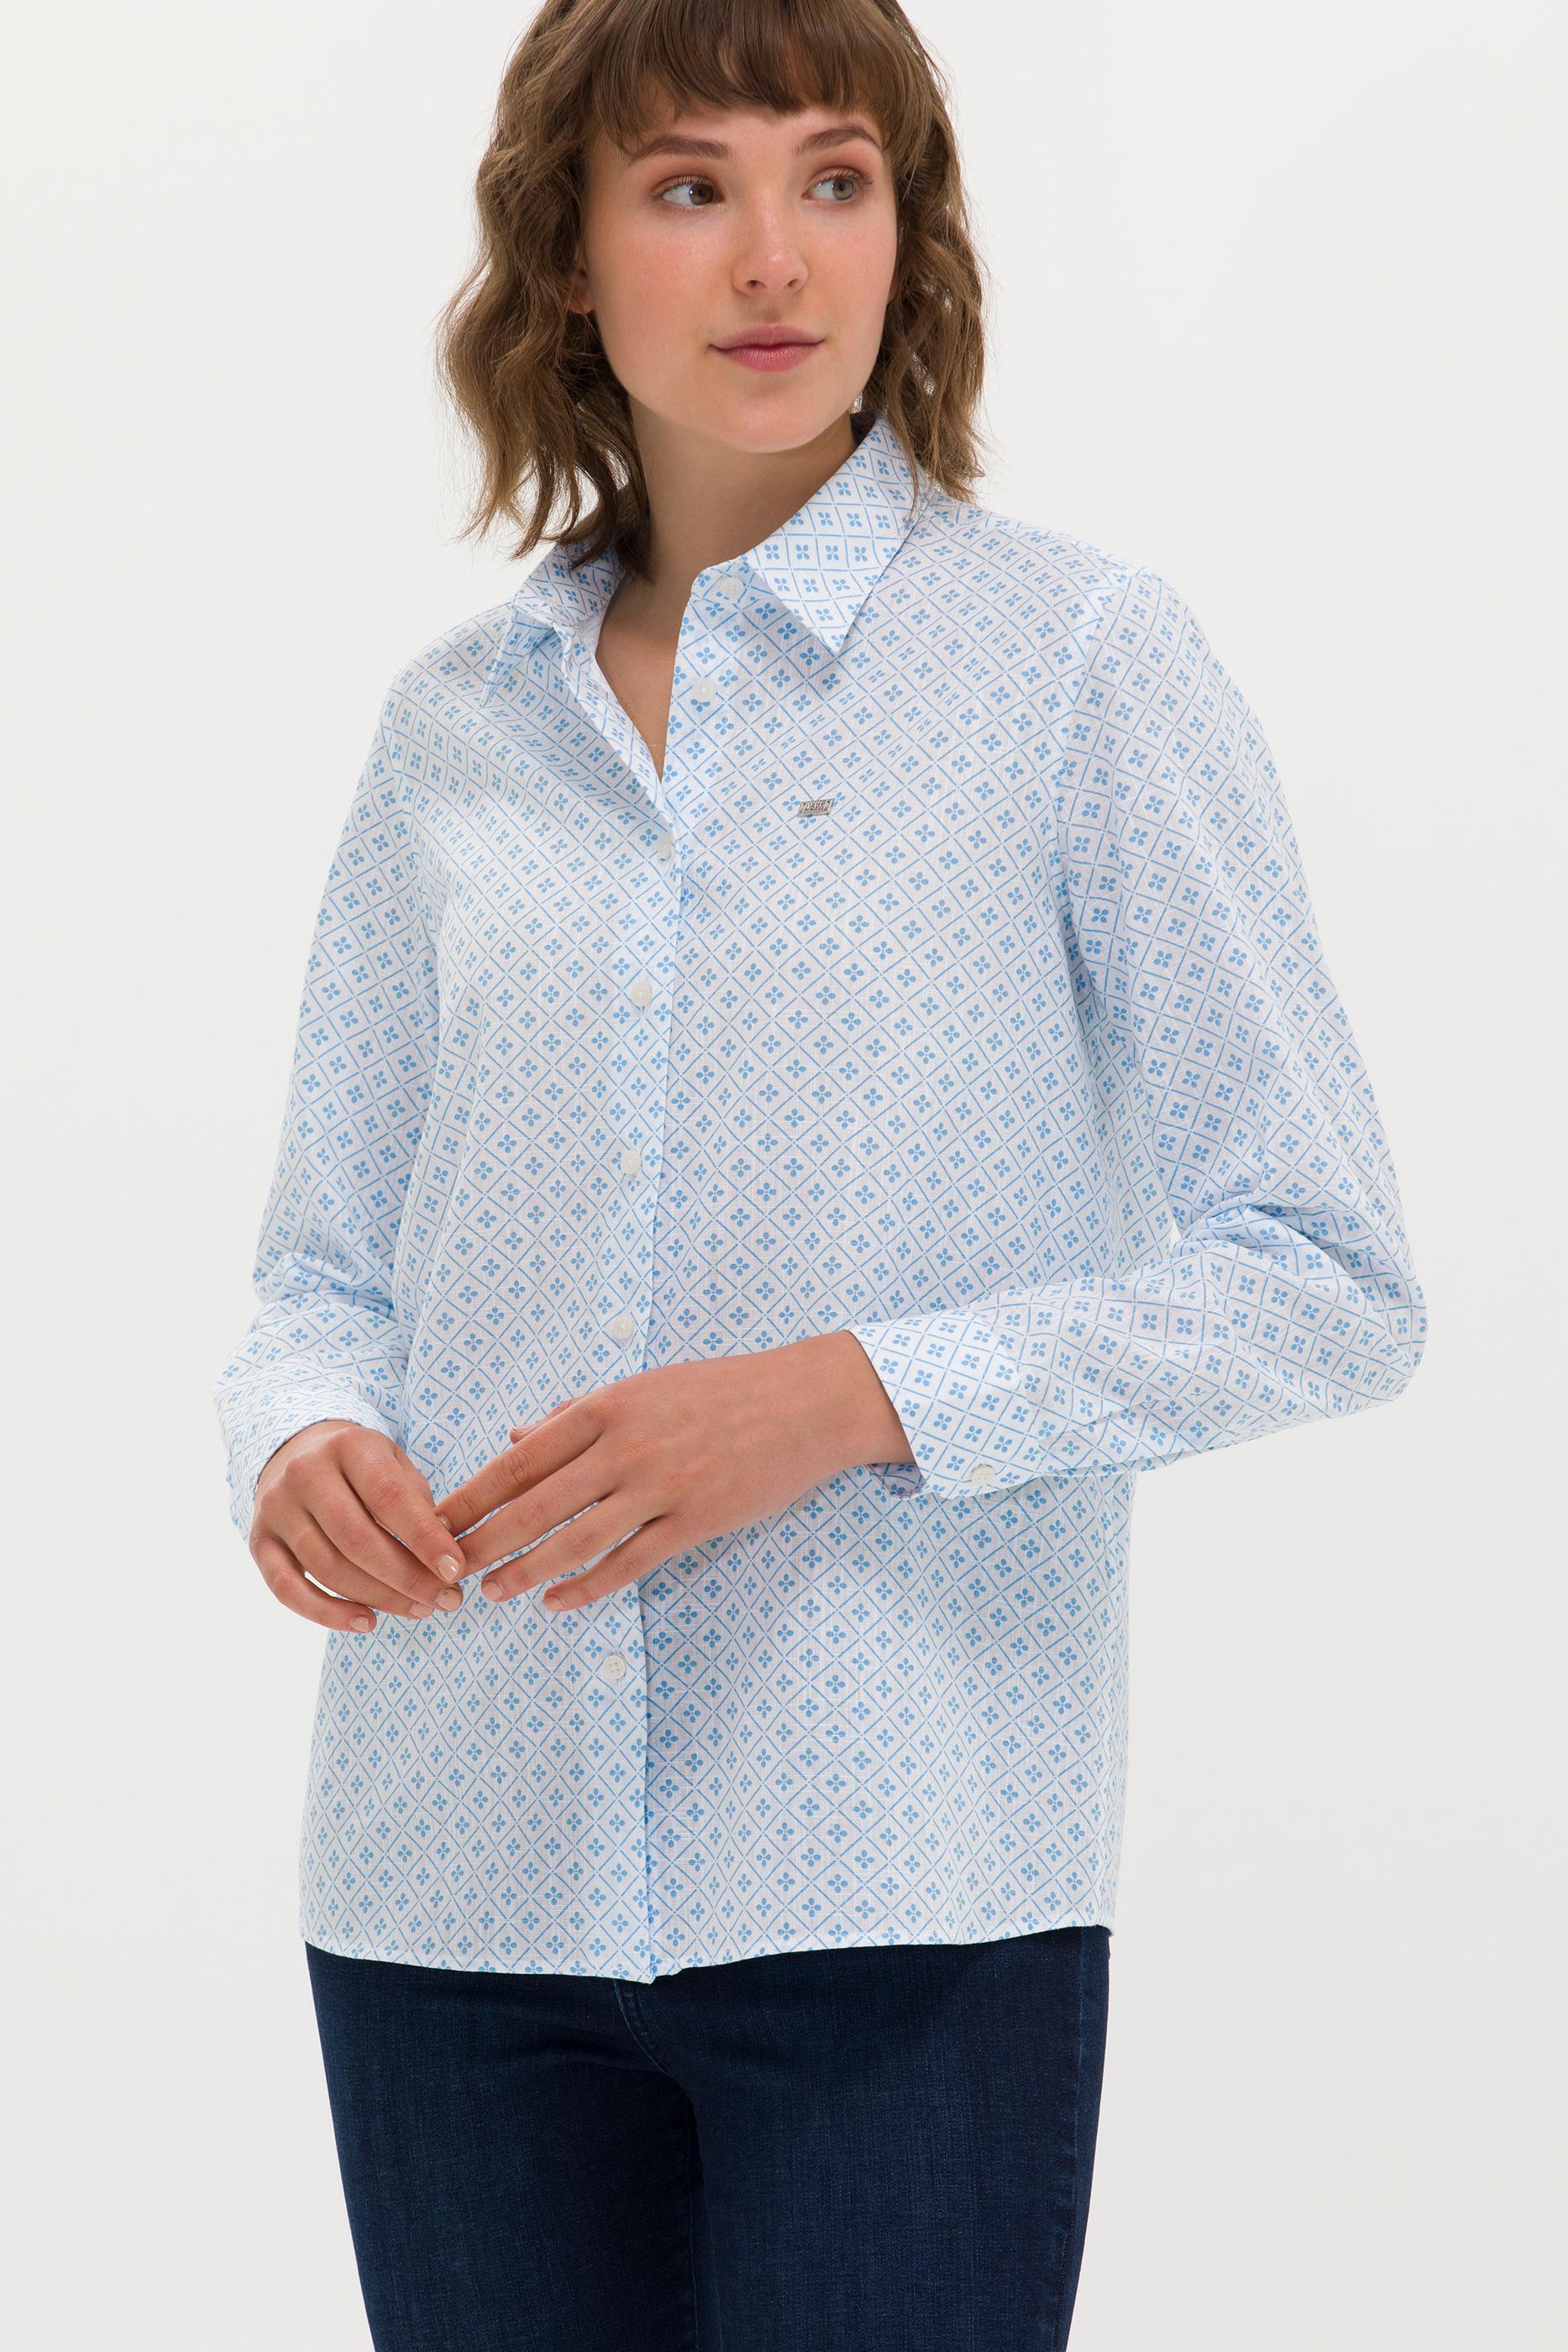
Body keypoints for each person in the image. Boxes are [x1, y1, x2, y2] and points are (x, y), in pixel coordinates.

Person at [211, 3, 1429, 2346]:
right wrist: (298, 1440)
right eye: (689, 185)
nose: (773, 255)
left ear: (906, 233)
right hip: (448, 1881)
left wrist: (845, 1397)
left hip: (901, 1886)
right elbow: (318, 1274)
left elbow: (1324, 1270)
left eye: (834, 179)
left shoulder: (1077, 664)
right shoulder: (451, 729)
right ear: (568, 252)